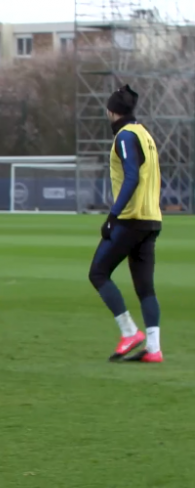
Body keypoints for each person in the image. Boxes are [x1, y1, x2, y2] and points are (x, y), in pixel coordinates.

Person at [88, 84, 163, 363]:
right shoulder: (145, 134)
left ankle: (129, 331)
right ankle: (154, 349)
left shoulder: (125, 136)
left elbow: (131, 177)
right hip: (151, 219)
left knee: (98, 273)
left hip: (131, 219)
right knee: (145, 286)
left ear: (111, 111)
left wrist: (113, 216)